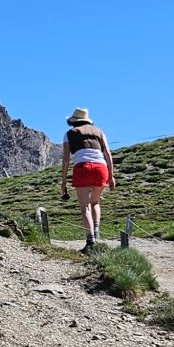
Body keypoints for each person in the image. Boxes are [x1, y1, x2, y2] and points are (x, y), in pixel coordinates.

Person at [59, 107, 113, 252]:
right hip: (101, 168)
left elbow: (65, 159)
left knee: (85, 208)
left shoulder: (69, 134)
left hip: (82, 168)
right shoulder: (99, 131)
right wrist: (111, 176)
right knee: (95, 202)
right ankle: (96, 233)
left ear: (73, 121)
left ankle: (90, 242)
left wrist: (63, 182)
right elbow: (107, 153)